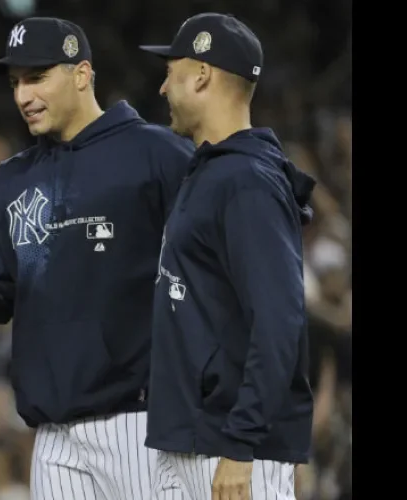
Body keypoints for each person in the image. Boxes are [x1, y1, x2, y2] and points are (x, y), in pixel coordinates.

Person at [0, 17, 195, 500]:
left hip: (143, 424)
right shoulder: (12, 181)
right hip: (52, 437)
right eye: (16, 83)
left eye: (37, 77)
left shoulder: (158, 155)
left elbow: (211, 265)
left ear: (82, 74)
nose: (23, 96)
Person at [138, 13, 316, 500]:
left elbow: (279, 320)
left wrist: (241, 444)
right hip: (195, 440)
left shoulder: (247, 180)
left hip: (231, 449)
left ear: (201, 76)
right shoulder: (213, 173)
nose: (162, 88)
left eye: (171, 72)